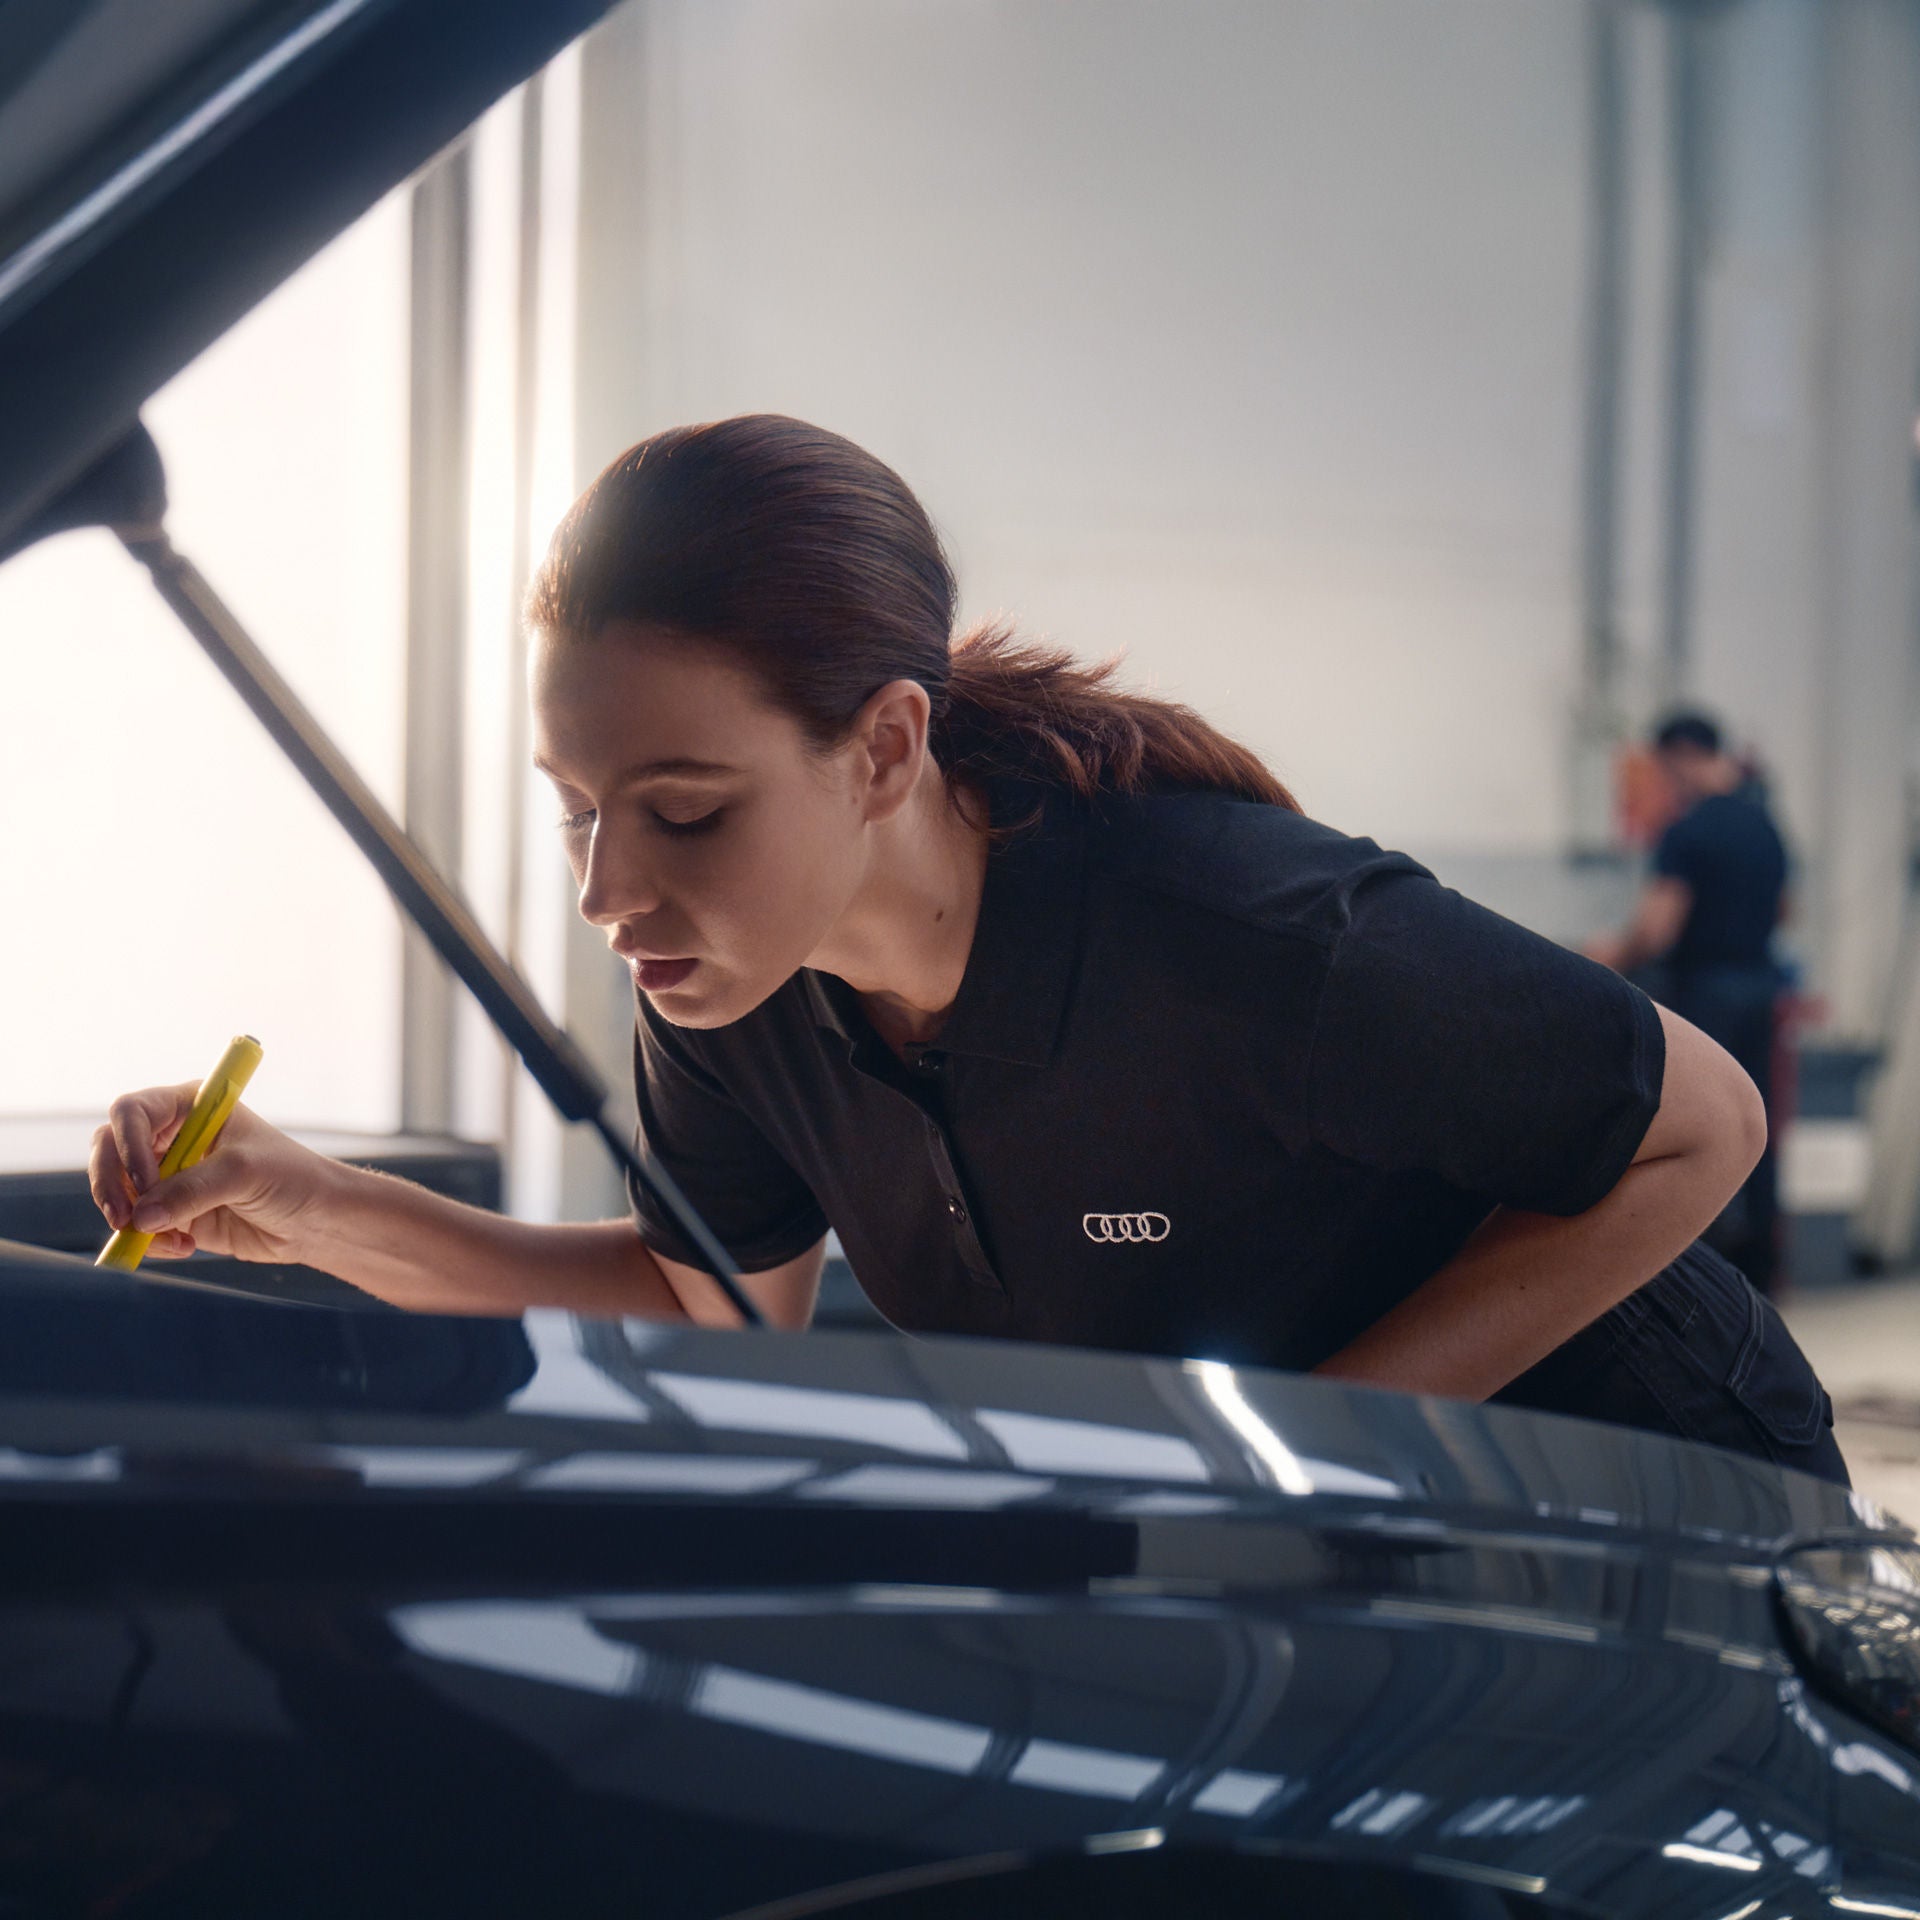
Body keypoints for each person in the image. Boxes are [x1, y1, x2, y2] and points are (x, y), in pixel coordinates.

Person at [89, 417, 1847, 1485]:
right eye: (577, 807)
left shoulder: (1239, 932)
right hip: (1333, 1533)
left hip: (1659, 1484)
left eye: (685, 811)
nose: (609, 891)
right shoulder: (731, 994)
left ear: (881, 748)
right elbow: (714, 1302)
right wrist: (313, 1209)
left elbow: (1702, 1126)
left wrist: (1317, 1450)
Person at [1588, 711, 1789, 1296]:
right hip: (1760, 987)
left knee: (1697, 1131)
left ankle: (1698, 1280)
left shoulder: (1689, 831)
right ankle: (1762, 1274)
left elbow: (1658, 930)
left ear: (1679, 755)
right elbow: (1785, 912)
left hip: (1705, 996)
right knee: (1757, 1125)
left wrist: (1606, 953)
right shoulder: (1766, 826)